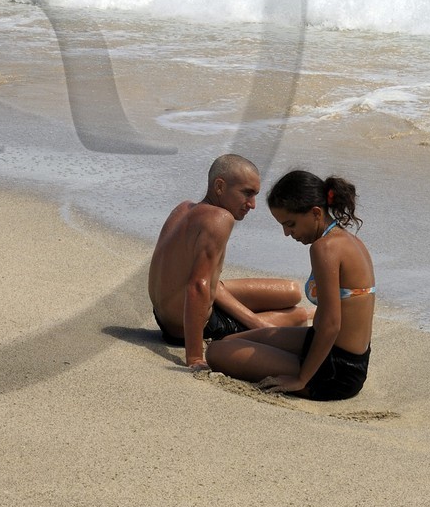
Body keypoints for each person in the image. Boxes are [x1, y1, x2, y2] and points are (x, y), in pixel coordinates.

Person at [205, 169, 375, 401]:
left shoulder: (325, 248)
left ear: (316, 212)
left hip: (336, 371)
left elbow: (331, 325)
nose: (287, 233)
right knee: (229, 342)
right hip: (349, 359)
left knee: (217, 352)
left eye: (291, 224)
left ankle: (305, 374)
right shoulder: (350, 241)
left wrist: (301, 379)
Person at [148, 154, 311, 370]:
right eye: (247, 193)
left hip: (167, 313)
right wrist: (195, 356)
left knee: (291, 291)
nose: (252, 204)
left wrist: (252, 320)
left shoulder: (184, 208)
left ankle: (258, 321)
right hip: (186, 327)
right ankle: (297, 317)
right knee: (297, 317)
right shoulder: (220, 219)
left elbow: (200, 279)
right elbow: (197, 286)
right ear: (219, 186)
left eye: (255, 195)